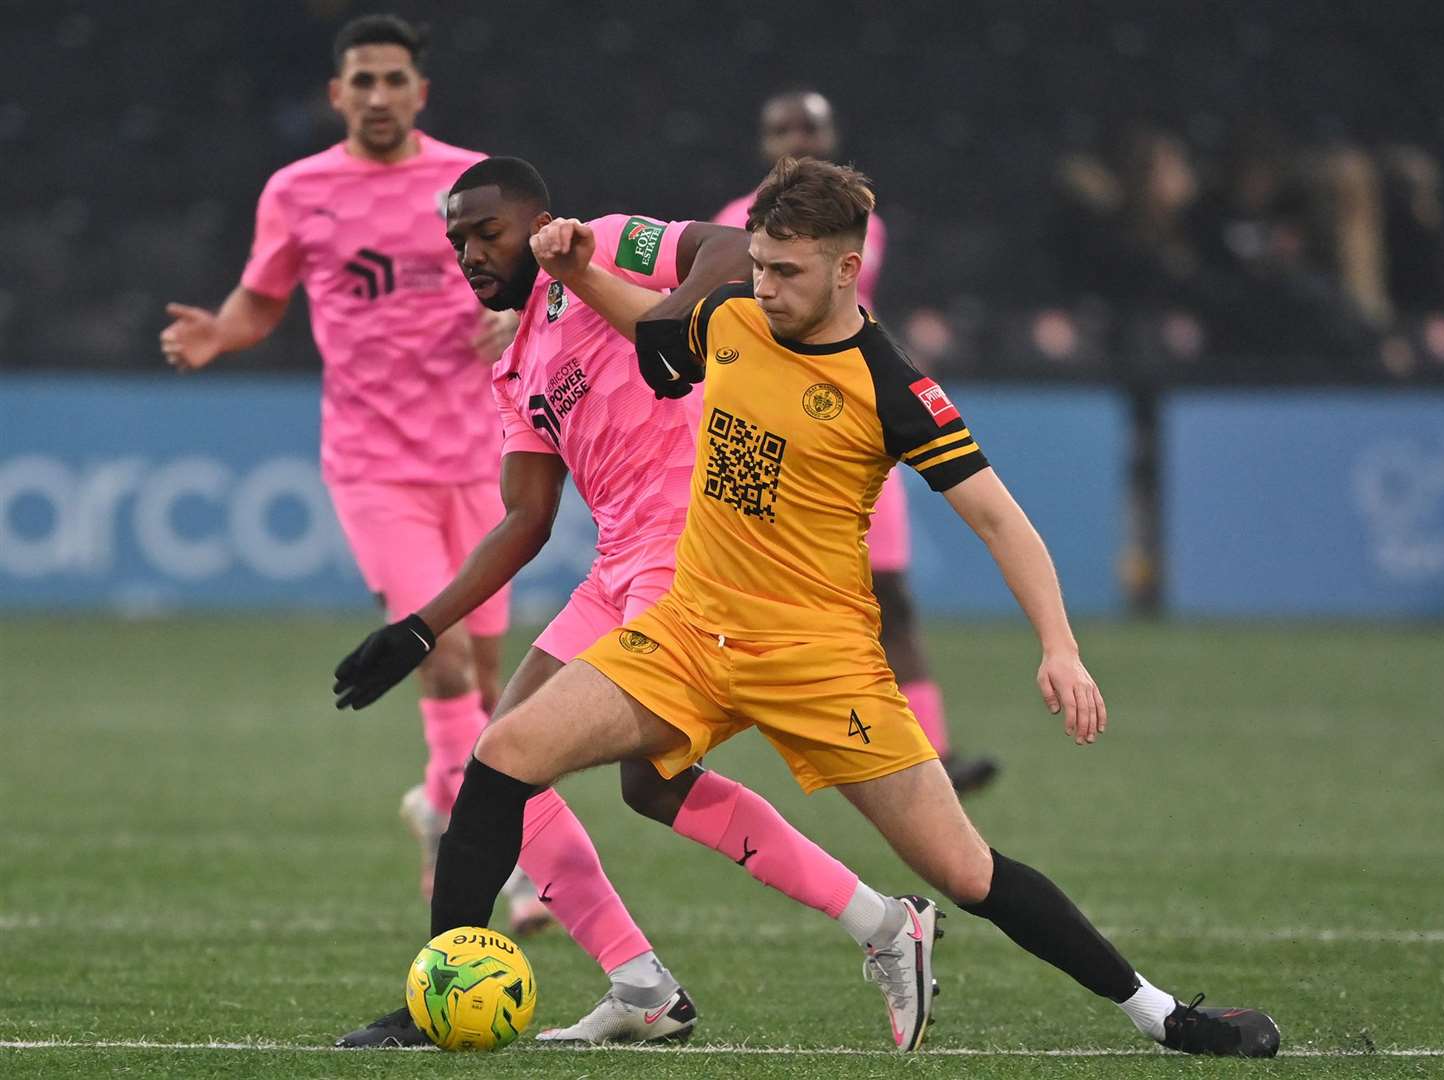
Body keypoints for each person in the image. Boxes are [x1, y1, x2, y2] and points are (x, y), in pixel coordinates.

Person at [353, 156, 1282, 1057]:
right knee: (501, 754)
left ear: (847, 269)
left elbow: (1001, 522)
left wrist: (1060, 648)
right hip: (686, 634)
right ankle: (438, 992)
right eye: (756, 264)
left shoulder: (892, 386)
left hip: (817, 659)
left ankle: (1162, 1015)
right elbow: (653, 330)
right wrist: (579, 273)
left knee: (966, 872)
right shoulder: (734, 317)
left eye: (786, 271)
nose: (763, 286)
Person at [332, 156, 947, 1050]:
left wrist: (662, 317)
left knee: (599, 777)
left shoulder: (609, 244)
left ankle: (871, 927)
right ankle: (641, 983)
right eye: (456, 240)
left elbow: (734, 248)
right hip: (614, 566)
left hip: (694, 554)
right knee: (503, 769)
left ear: (536, 219)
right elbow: (527, 519)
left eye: (487, 232)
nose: (469, 252)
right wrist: (420, 626)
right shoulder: (514, 366)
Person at [155, 14, 550, 927]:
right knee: (439, 653)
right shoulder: (298, 191)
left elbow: (542, 286)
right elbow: (262, 299)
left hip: (481, 458)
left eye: (392, 80)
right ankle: (499, 859)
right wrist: (221, 331)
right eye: (361, 81)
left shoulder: (471, 183)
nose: (377, 96)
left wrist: (514, 315)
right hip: (372, 464)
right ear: (336, 95)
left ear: (420, 91)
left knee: (488, 680)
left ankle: (435, 802)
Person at [715, 91, 997, 792]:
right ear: (762, 141)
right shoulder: (731, 225)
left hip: (857, 422)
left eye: (808, 128)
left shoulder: (861, 222)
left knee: (890, 593)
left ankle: (932, 754)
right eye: (782, 129)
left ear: (831, 134)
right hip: (777, 428)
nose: (796, 139)